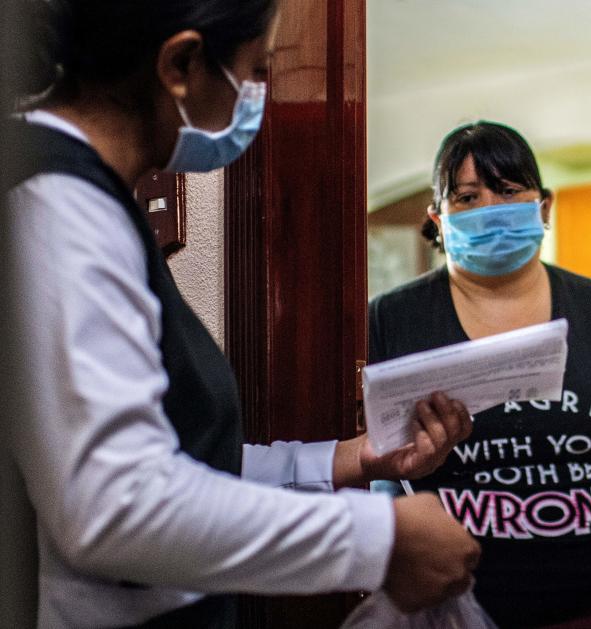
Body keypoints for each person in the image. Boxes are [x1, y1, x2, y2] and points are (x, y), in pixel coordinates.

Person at [3, 1, 480, 627]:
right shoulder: (58, 207)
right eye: (257, 70)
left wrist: (355, 460)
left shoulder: (99, 205)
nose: (260, 96)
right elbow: (118, 505)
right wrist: (381, 538)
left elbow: (188, 464)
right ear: (181, 64)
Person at [369, 121, 591, 628]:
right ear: (437, 220)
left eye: (508, 191)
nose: (490, 209)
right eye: (466, 198)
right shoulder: (390, 319)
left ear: (544, 207)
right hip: (453, 605)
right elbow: (378, 461)